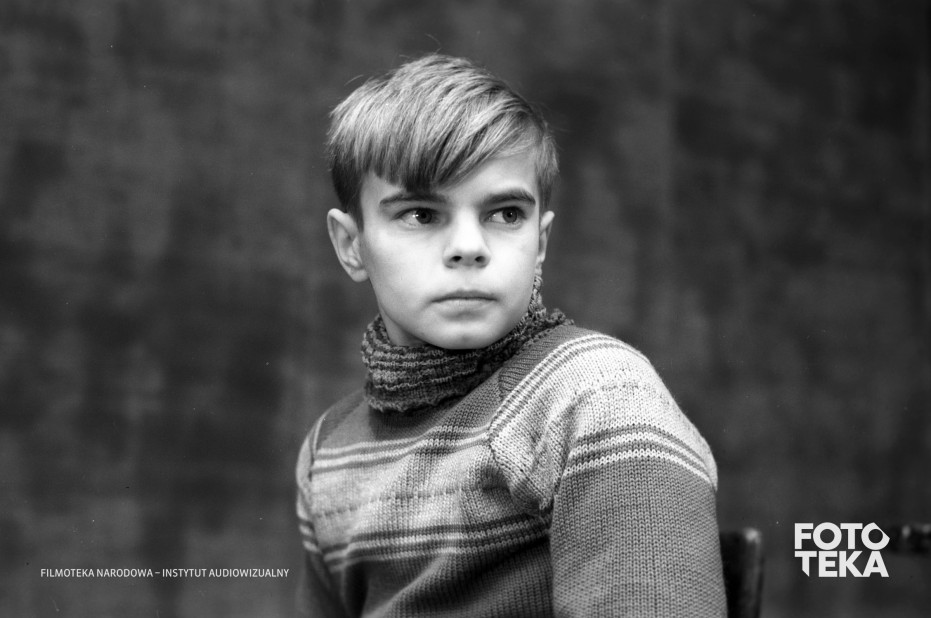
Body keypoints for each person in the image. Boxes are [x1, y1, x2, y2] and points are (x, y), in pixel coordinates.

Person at [296, 53, 726, 617]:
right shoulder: (327, 450)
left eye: (504, 214)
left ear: (540, 242)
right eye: (421, 214)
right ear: (351, 245)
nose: (469, 247)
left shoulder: (598, 397)